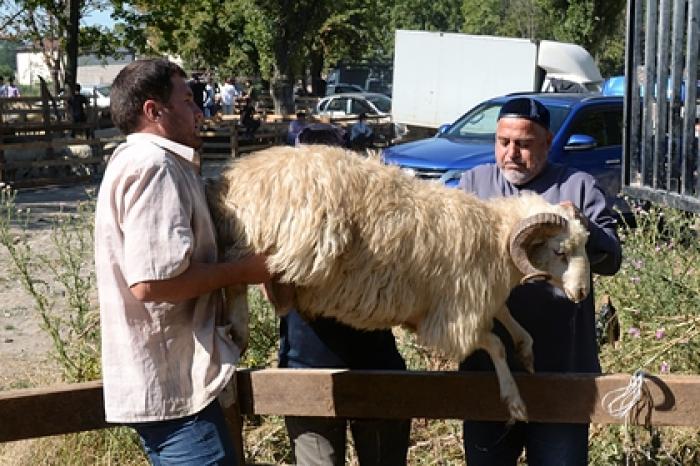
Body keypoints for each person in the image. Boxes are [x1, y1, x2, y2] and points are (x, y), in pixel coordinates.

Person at [94, 58, 277, 465]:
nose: (200, 112)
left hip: (167, 388)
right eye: (189, 100)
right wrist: (246, 270)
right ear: (153, 111)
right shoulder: (155, 167)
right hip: (177, 394)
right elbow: (152, 283)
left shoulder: (139, 162)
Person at [458, 97, 622, 465]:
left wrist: (582, 225)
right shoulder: (474, 184)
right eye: (503, 142)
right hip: (488, 374)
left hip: (562, 370)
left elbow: (611, 258)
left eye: (525, 144)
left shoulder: (577, 186)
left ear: (548, 142)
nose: (511, 153)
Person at [278, 129, 410, 466]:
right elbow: (280, 299)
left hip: (377, 373)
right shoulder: (280, 221)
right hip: (308, 376)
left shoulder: (386, 221)